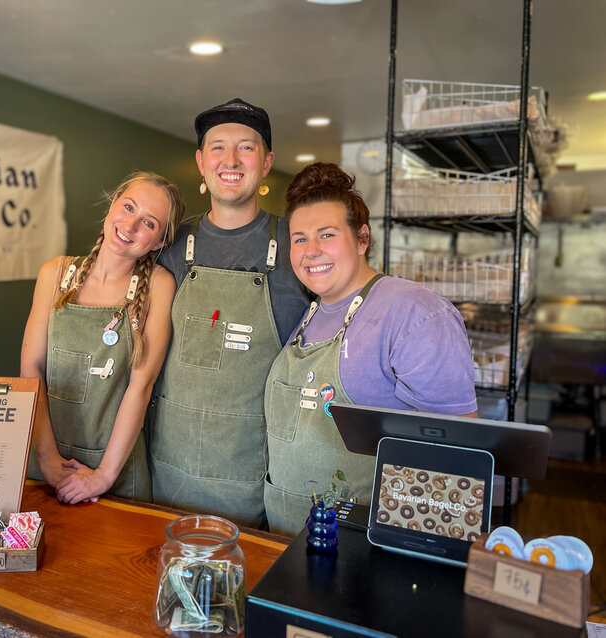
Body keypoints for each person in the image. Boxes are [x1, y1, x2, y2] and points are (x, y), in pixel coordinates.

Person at [264, 162, 479, 536]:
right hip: (285, 537)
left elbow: (457, 453)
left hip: (360, 546)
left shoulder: (414, 312)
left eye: (326, 235)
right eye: (299, 239)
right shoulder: (311, 310)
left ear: (362, 239)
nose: (310, 251)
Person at [149, 98, 311, 528]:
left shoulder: (296, 242)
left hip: (256, 474)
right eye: (218, 148)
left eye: (247, 147)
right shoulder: (170, 244)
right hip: (168, 471)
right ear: (201, 163)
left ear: (267, 162)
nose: (231, 160)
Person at [21, 171, 184, 504]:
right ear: (112, 206)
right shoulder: (54, 273)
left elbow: (141, 386)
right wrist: (49, 461)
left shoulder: (158, 285)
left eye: (149, 223)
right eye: (128, 207)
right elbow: (31, 371)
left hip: (118, 476)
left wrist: (103, 477)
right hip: (44, 466)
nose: (131, 225)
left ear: (160, 242)